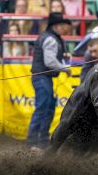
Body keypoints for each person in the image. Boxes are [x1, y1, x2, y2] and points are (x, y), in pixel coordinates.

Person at [28, 12, 72, 149]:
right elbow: (50, 62)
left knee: (46, 108)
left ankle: (39, 141)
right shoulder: (52, 40)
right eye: (62, 25)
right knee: (43, 108)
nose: (64, 28)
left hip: (42, 77)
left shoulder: (49, 38)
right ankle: (35, 141)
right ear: (56, 26)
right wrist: (65, 68)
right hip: (43, 77)